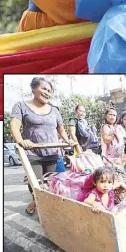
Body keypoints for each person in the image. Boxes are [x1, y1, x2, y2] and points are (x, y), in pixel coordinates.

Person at [10, 77, 77, 215]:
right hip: (32, 152)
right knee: (36, 183)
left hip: (52, 152)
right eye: (44, 88)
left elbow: (61, 129)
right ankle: (37, 202)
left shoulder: (54, 110)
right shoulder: (21, 106)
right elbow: (14, 126)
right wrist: (22, 141)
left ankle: (47, 207)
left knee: (51, 182)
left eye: (49, 91)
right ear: (33, 88)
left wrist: (68, 140)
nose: (47, 92)